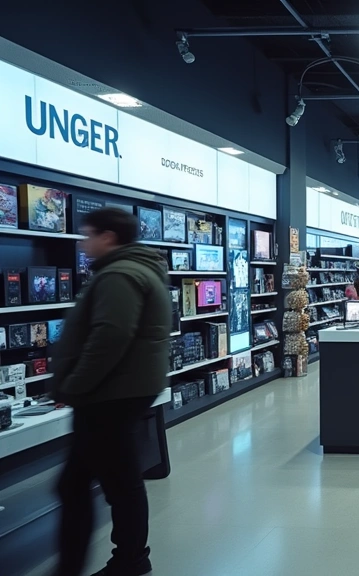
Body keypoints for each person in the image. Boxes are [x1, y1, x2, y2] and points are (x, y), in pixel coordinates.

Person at [49, 207, 171, 576]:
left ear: (108, 237)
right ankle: (125, 559)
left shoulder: (119, 274)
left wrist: (74, 384)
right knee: (100, 480)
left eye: (88, 235)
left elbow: (110, 336)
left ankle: (126, 560)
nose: (83, 243)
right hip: (121, 390)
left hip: (109, 394)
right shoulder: (135, 269)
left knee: (110, 482)